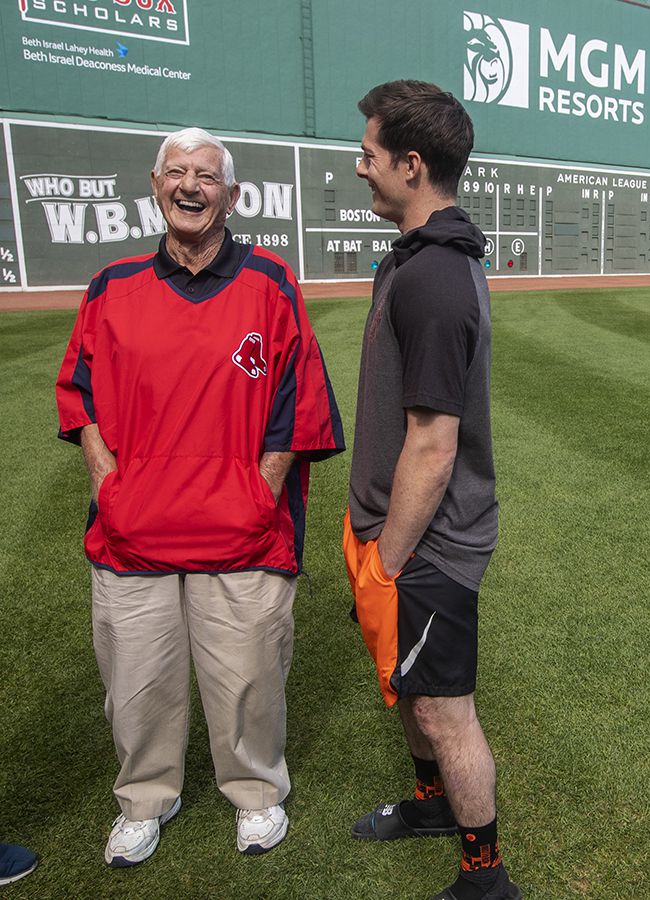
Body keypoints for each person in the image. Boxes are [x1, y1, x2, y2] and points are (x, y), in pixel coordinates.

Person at [55, 127, 345, 867]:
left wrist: (262, 488)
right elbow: (77, 391)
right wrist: (104, 477)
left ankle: (256, 795)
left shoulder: (270, 283)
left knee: (248, 680)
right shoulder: (112, 285)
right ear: (154, 186)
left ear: (232, 195)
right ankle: (145, 801)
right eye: (177, 173)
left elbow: (299, 401)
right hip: (133, 532)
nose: (191, 186)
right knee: (138, 685)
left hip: (242, 531)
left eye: (206, 176)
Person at [343, 81, 520, 900]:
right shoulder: (416, 260)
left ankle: (485, 878)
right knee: (413, 690)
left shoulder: (437, 279)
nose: (360, 167)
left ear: (412, 166)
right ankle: (429, 808)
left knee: (446, 710)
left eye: (372, 155)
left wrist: (387, 559)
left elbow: (434, 443)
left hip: (429, 542)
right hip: (396, 529)